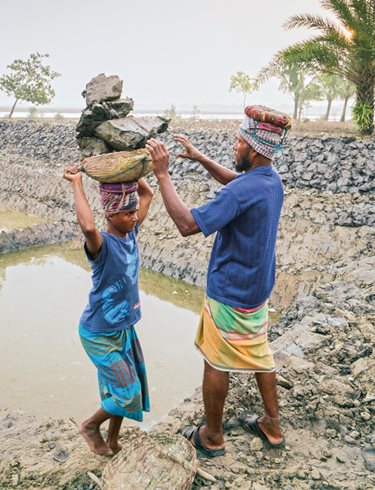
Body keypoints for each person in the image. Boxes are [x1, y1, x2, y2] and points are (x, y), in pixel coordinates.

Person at [145, 106, 290, 457]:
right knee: (260, 354)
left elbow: (186, 224)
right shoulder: (269, 180)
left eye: (238, 142)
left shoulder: (242, 191)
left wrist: (163, 174)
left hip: (230, 293)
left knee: (216, 361)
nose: (234, 147)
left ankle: (212, 436)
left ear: (254, 149)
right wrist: (200, 158)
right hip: (257, 290)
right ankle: (272, 424)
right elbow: (237, 183)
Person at [63, 166, 154, 456]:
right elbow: (88, 227)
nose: (134, 217)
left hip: (122, 329)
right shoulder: (101, 245)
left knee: (126, 387)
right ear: (110, 215)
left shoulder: (131, 234)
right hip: (98, 333)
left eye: (134, 213)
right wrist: (77, 183)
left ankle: (113, 440)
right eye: (127, 214)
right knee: (128, 393)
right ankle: (91, 426)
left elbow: (147, 192)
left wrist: (128, 172)